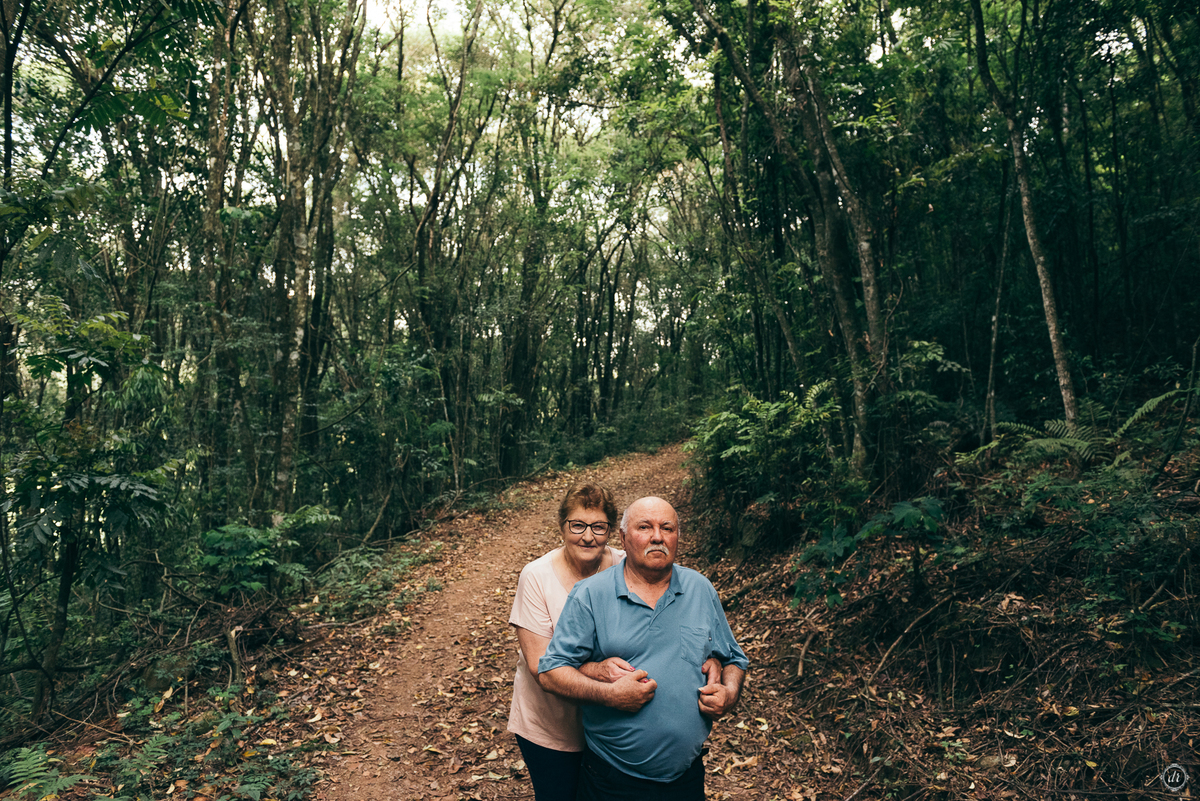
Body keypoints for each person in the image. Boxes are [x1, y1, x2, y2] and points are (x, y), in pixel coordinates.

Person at [538, 495, 749, 801]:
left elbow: (734, 659)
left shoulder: (700, 589)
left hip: (686, 778)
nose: (657, 537)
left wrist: (728, 693)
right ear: (623, 537)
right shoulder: (591, 595)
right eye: (644, 527)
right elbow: (551, 672)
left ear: (678, 537)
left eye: (667, 528)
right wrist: (610, 695)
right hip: (611, 780)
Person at [507, 482, 626, 801]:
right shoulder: (536, 576)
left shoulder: (625, 566)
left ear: (611, 530)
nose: (588, 536)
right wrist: (600, 672)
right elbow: (541, 666)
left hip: (609, 727)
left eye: (599, 527)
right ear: (562, 527)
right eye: (578, 525)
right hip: (549, 727)